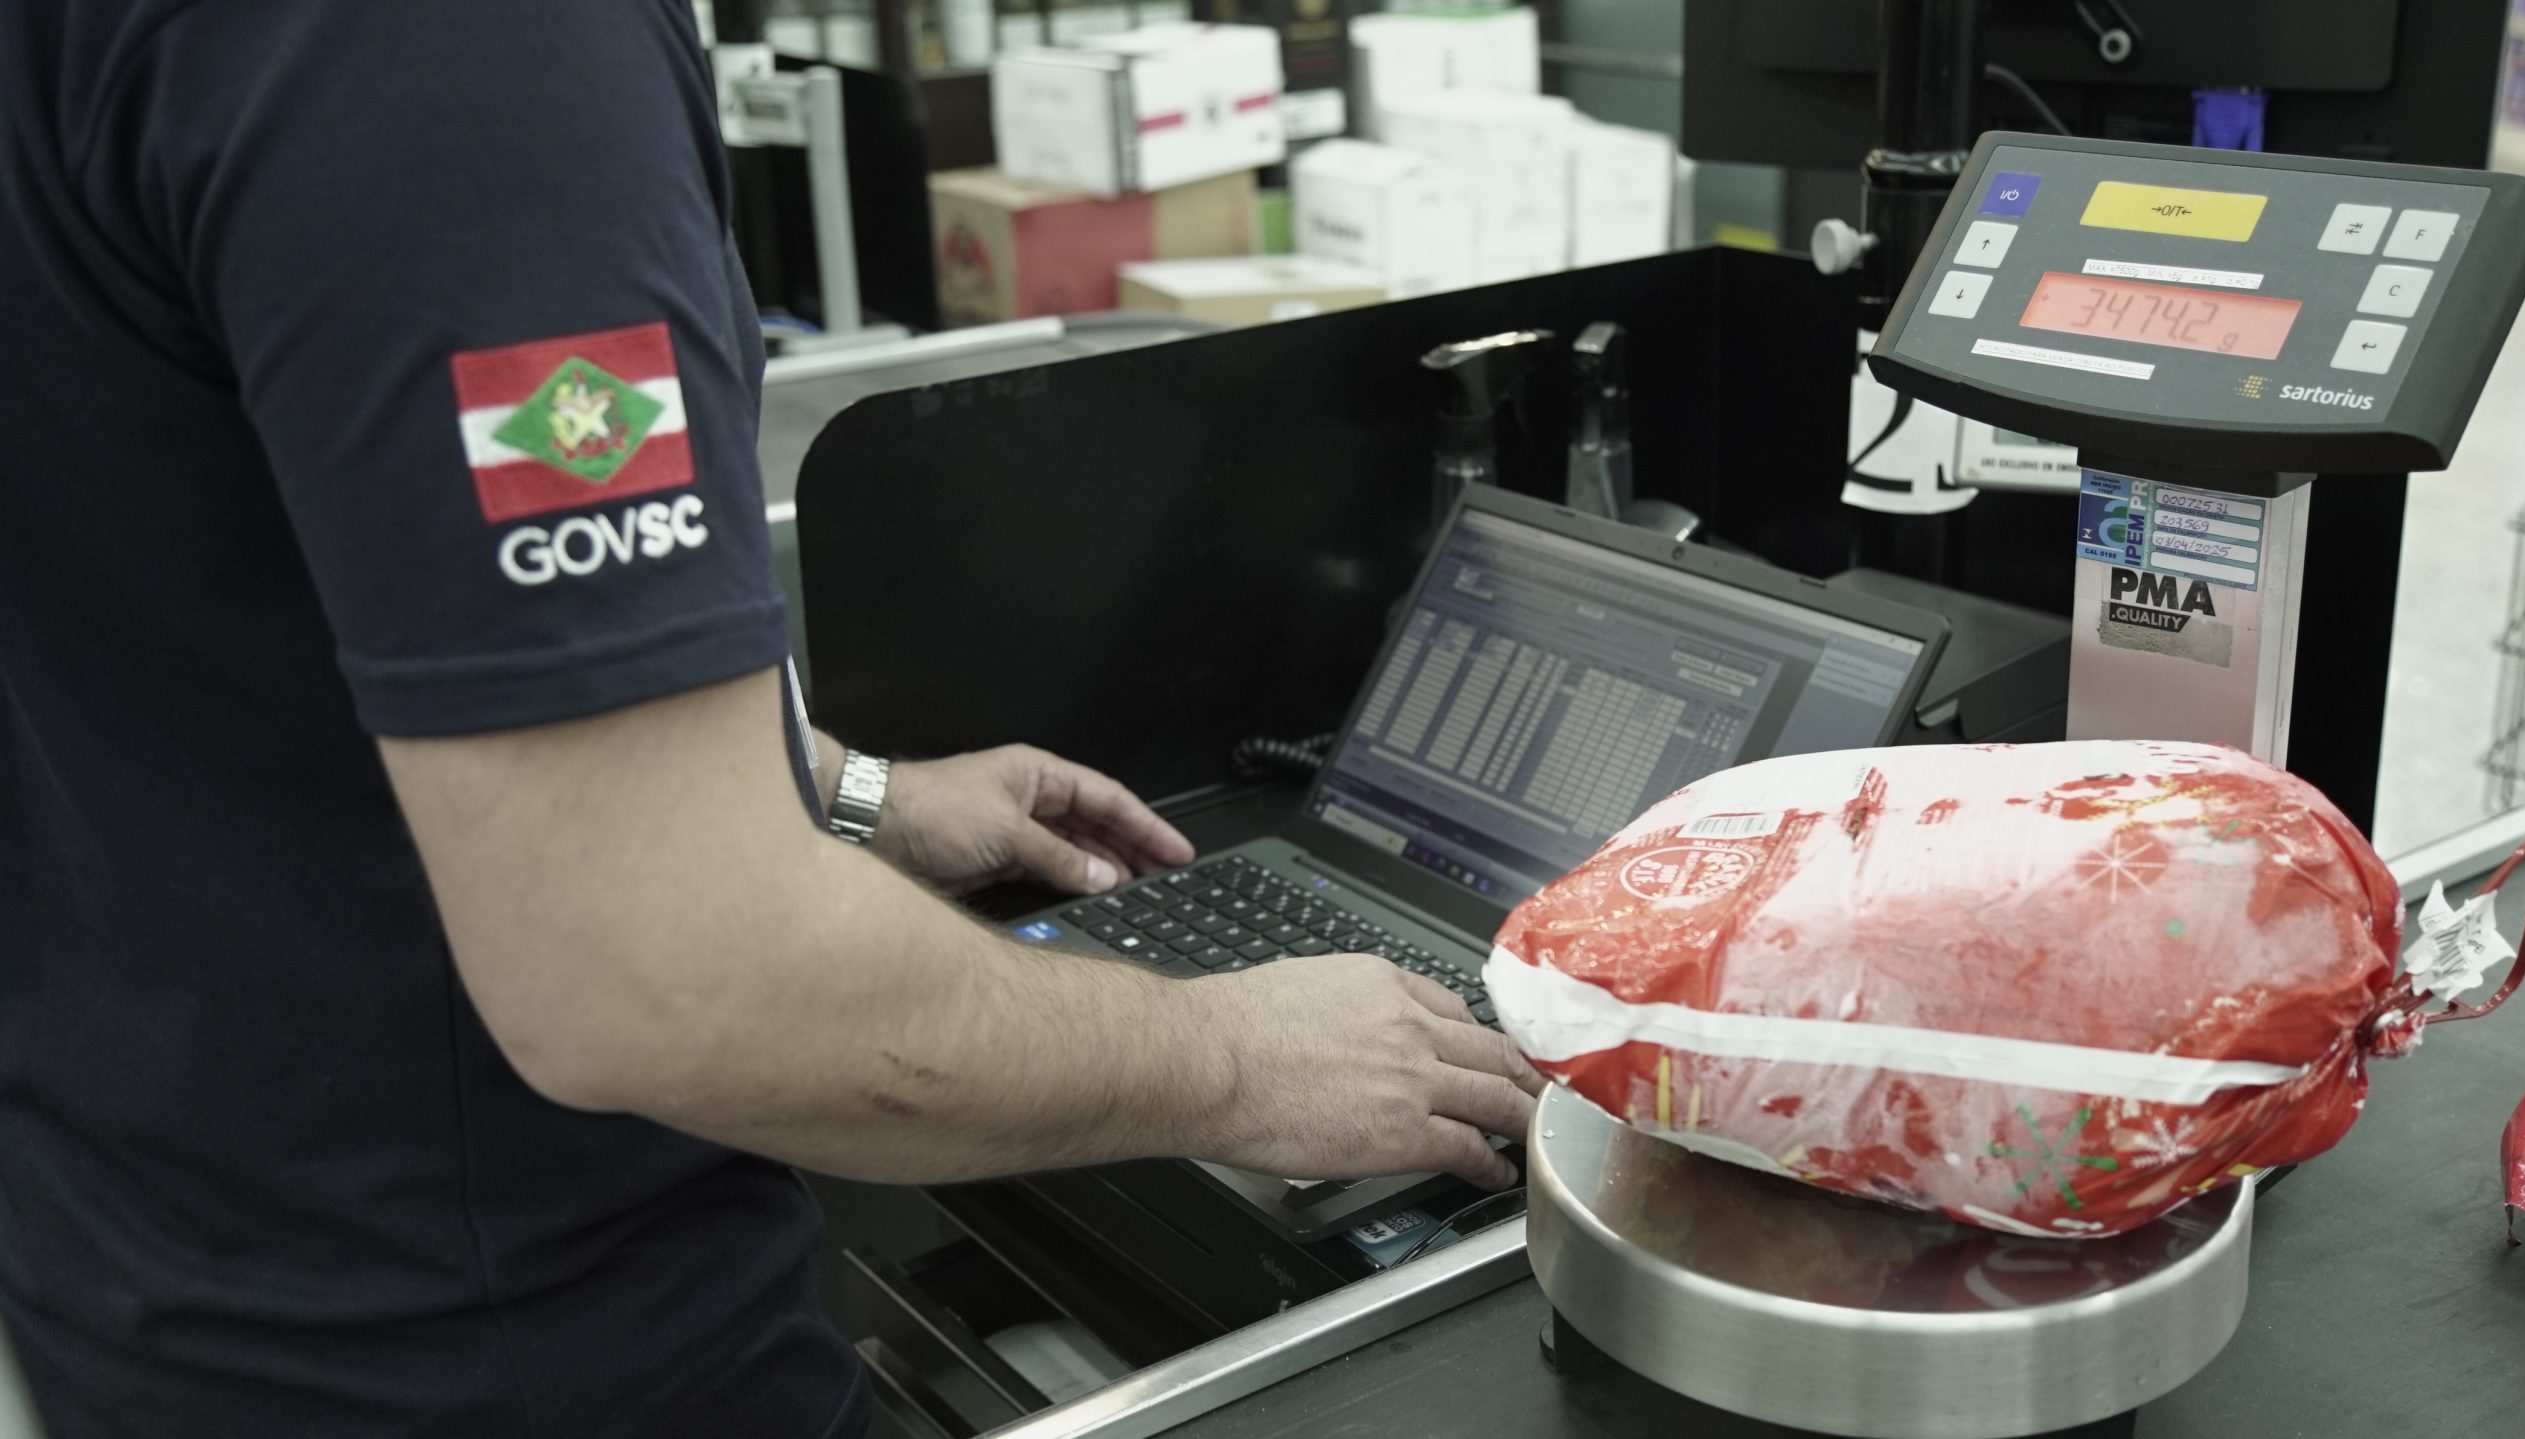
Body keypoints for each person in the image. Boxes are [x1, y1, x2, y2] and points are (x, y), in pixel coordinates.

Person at [0, 3, 1542, 1435]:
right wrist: (1234, 1058)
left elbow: (251, 607)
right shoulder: (459, 45)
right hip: (484, 1354)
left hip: (166, 1268)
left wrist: (854, 793)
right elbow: (670, 976)